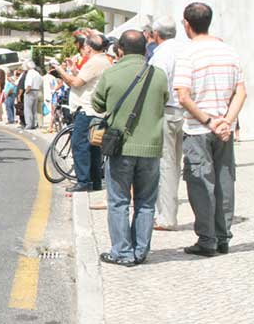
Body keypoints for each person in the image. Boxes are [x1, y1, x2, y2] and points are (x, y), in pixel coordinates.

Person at [173, 2, 246, 256]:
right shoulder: (229, 51)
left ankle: (207, 239)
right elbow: (241, 92)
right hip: (224, 129)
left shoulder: (188, 54)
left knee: (201, 183)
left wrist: (209, 121)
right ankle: (223, 237)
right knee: (225, 180)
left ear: (186, 24)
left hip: (198, 128)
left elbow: (183, 96)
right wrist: (227, 121)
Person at [92, 30, 169, 266]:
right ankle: (140, 250)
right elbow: (164, 100)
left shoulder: (111, 73)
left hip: (120, 148)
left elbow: (97, 104)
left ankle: (122, 252)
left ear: (120, 50)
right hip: (151, 148)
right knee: (146, 202)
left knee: (119, 201)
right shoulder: (158, 74)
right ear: (145, 49)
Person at [52, 32, 111, 193]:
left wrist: (60, 71)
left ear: (88, 47)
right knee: (94, 148)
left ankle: (83, 181)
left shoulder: (94, 62)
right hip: (96, 111)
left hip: (87, 111)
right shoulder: (104, 60)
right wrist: (73, 70)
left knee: (80, 146)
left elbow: (76, 83)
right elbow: (86, 80)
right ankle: (95, 181)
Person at [148, 16, 185, 231]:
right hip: (186, 111)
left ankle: (166, 217)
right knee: (176, 165)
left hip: (167, 111)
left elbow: (156, 85)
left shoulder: (161, 54)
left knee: (166, 165)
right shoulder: (183, 50)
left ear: (155, 34)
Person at [22, 60, 42, 130]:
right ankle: (34, 124)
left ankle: (29, 124)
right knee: (34, 109)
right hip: (36, 90)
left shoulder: (30, 73)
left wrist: (26, 92)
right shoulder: (37, 73)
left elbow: (29, 85)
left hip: (30, 91)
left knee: (28, 109)